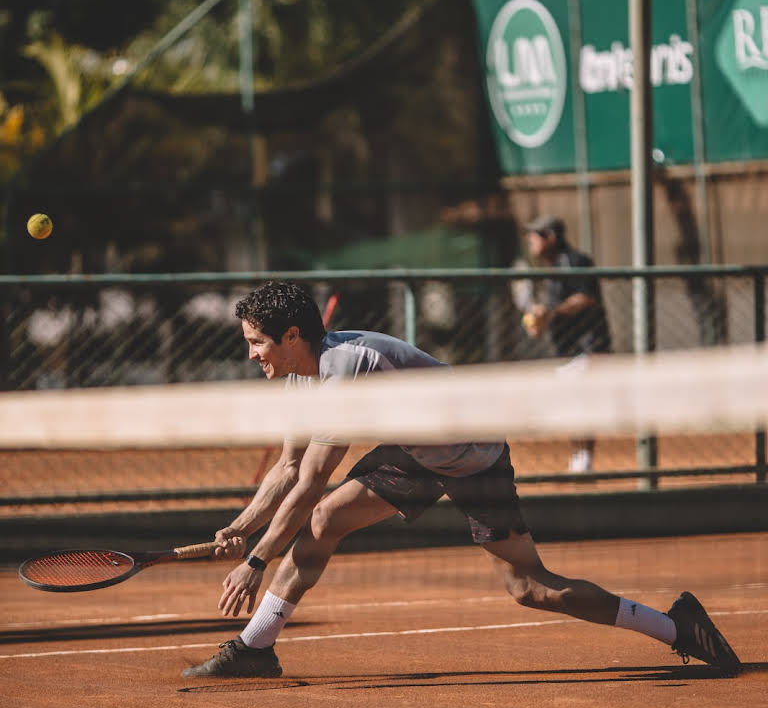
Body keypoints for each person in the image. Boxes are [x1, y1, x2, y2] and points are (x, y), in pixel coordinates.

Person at [182, 281, 741, 679]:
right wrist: (239, 527)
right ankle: (257, 647)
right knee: (327, 519)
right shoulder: (300, 383)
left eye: (256, 341)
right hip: (416, 451)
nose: (251, 353)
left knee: (529, 587)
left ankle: (676, 628)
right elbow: (285, 470)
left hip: (473, 454)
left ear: (292, 334)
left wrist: (255, 561)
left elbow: (308, 483)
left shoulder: (342, 372)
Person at [521, 215, 612, 474]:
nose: (530, 240)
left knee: (579, 404)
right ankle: (580, 458)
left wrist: (550, 313)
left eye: (535, 235)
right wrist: (539, 322)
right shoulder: (553, 271)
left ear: (551, 238)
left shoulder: (575, 261)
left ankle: (584, 460)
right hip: (567, 351)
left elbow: (585, 298)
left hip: (588, 347)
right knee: (572, 405)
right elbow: (553, 311)